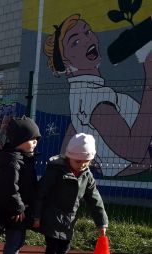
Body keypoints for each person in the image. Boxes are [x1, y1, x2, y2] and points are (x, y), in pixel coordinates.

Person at [43, 13, 152, 177]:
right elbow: (134, 152)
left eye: (87, 32)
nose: (87, 40)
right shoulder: (94, 98)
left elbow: (71, 137)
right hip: (136, 176)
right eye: (75, 42)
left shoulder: (82, 95)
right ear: (64, 62)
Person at [33, 133, 108, 254]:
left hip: (69, 218)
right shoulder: (56, 171)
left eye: (86, 161)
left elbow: (95, 200)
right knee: (53, 246)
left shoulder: (86, 175)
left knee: (65, 245)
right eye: (78, 161)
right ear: (69, 157)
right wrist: (37, 216)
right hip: (52, 215)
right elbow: (41, 193)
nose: (82, 165)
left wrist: (101, 222)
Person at [0, 116, 41, 254]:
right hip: (13, 210)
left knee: (18, 240)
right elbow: (9, 187)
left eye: (36, 139)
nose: (35, 142)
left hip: (20, 208)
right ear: (20, 140)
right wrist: (18, 207)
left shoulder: (22, 158)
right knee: (14, 240)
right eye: (31, 139)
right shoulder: (12, 161)